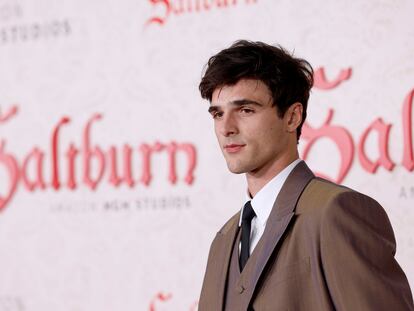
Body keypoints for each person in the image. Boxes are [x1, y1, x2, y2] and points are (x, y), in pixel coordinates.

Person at [197, 40, 414, 311]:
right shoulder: (223, 240)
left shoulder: (337, 212)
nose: (226, 128)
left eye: (245, 110)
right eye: (218, 114)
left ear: (292, 117)